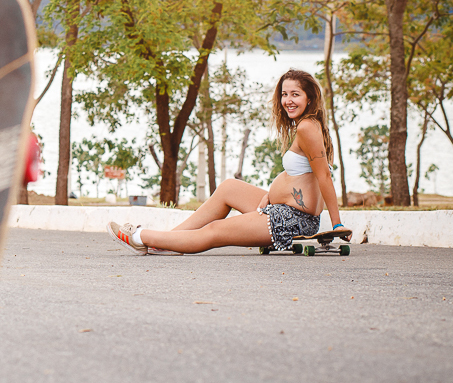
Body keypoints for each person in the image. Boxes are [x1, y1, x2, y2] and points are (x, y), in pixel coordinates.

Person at [109, 69, 344, 255]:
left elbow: (323, 176)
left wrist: (336, 225)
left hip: (292, 220)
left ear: (310, 98)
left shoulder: (307, 127)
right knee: (229, 187)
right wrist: (272, 195)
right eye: (284, 94)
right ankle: (170, 241)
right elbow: (302, 176)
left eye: (295, 94)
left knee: (214, 230)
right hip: (283, 210)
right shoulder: (309, 125)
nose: (288, 100)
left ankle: (141, 237)